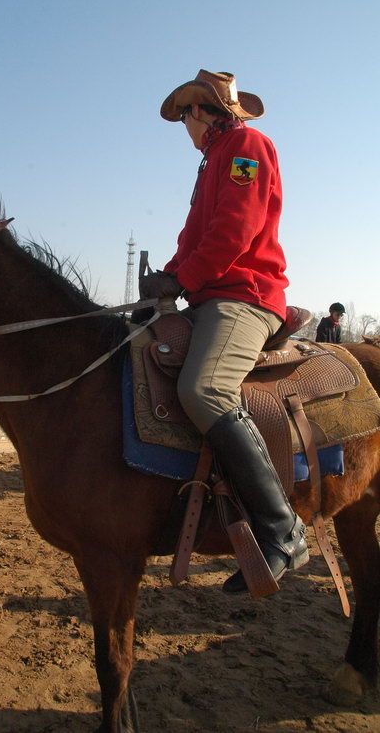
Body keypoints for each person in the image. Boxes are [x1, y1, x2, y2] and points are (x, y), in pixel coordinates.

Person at [140, 69, 308, 595]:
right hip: (211, 295)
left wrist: (183, 278)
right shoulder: (213, 159)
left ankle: (282, 530)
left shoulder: (245, 146)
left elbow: (236, 231)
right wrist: (164, 282)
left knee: (202, 389)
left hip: (246, 296)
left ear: (199, 111)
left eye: (185, 118)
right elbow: (195, 237)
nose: (184, 129)